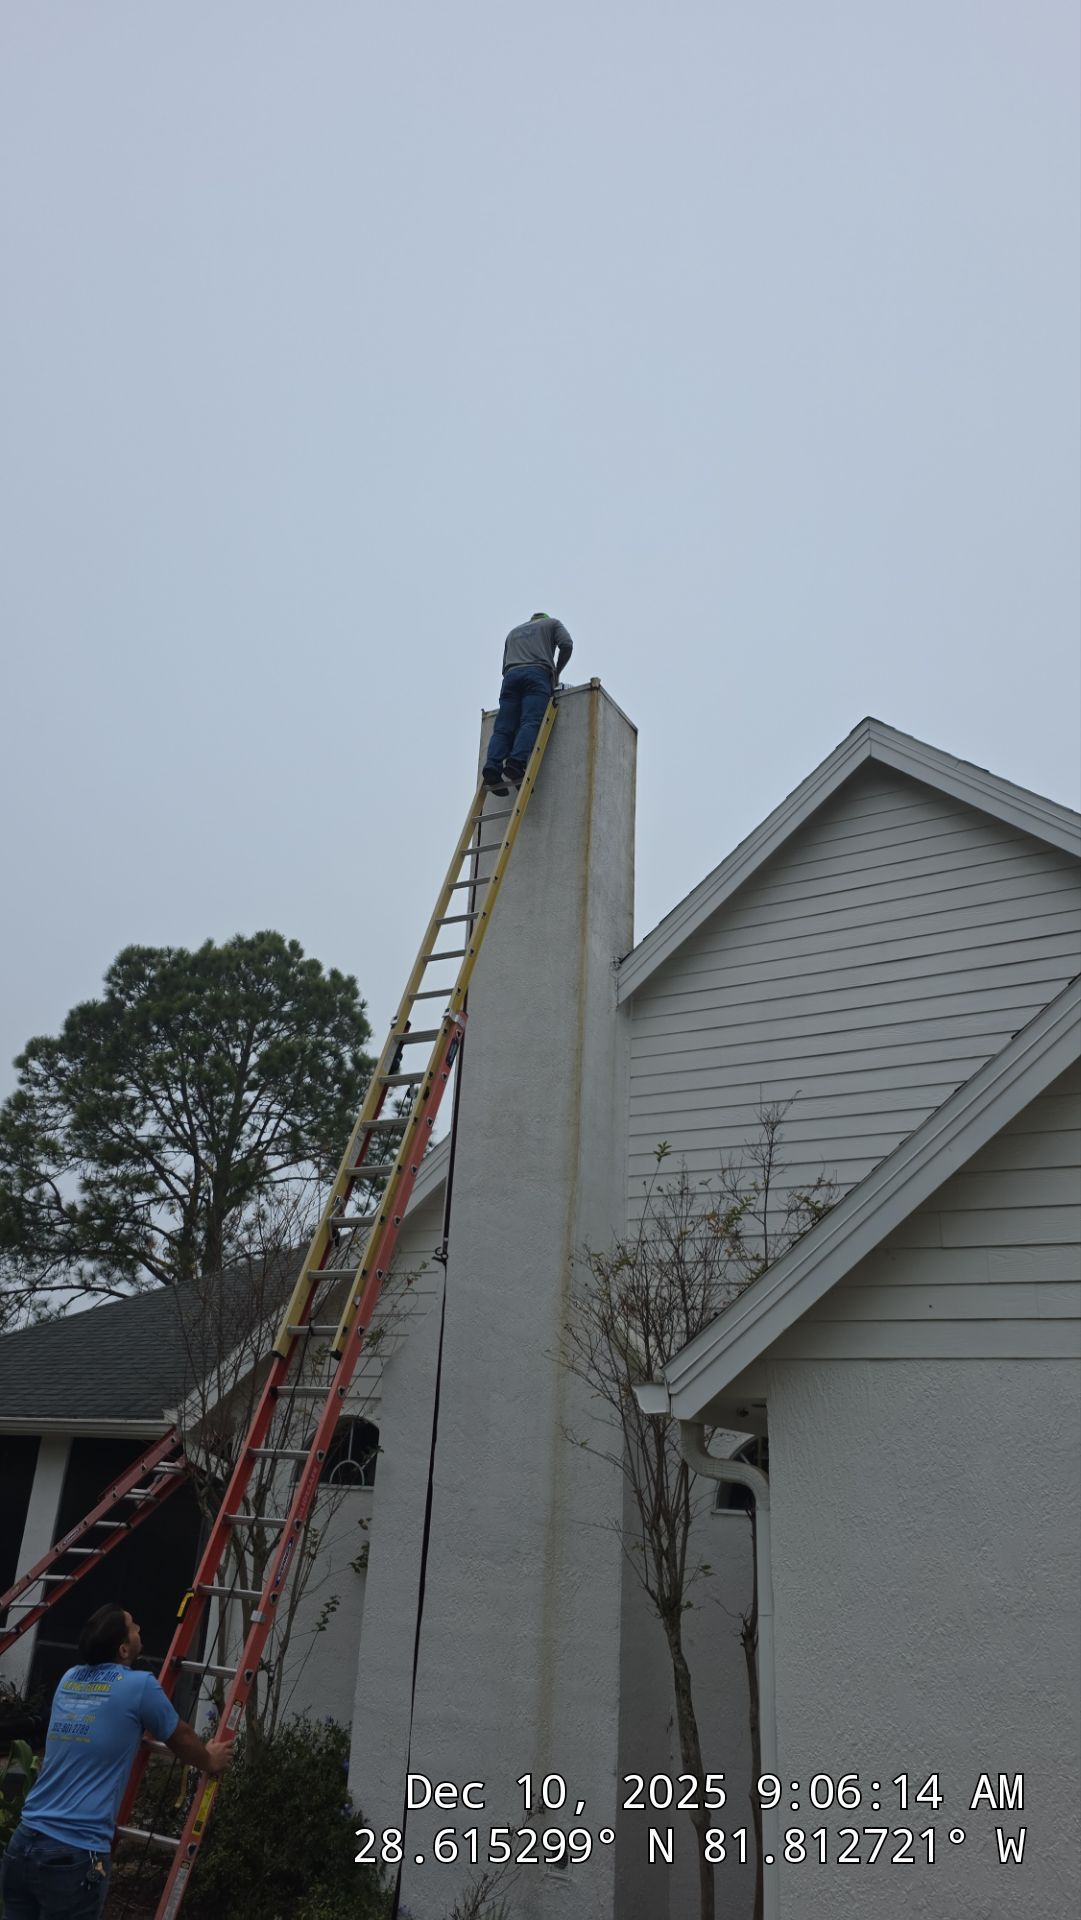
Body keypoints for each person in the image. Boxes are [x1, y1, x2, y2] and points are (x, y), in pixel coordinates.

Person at [0, 1602, 232, 1920]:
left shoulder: (69, 1678)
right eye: (133, 1625)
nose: (140, 1629)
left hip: (23, 1844)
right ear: (124, 1649)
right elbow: (181, 1736)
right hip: (73, 1856)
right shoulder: (139, 1686)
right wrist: (209, 1760)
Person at [482, 612, 573, 794]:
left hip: (510, 677)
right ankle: (516, 763)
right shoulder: (552, 624)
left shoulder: (513, 633)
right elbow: (567, 644)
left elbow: (505, 666)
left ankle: (492, 767)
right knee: (530, 720)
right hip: (536, 674)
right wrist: (556, 671)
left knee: (503, 728)